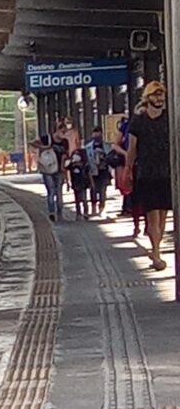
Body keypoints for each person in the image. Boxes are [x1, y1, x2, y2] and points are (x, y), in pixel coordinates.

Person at [120, 81, 171, 270]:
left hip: (166, 171)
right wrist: (128, 169)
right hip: (146, 172)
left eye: (161, 95)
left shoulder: (168, 117)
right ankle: (156, 251)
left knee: (163, 213)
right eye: (155, 95)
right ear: (147, 98)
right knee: (152, 215)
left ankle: (157, 250)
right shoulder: (138, 121)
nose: (159, 98)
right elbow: (132, 148)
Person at [33, 133, 64, 222]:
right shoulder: (47, 138)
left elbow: (66, 154)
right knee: (52, 191)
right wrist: (46, 147)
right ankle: (52, 212)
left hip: (58, 170)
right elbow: (33, 143)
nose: (63, 133)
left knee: (57, 192)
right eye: (61, 130)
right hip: (47, 170)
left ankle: (58, 213)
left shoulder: (64, 142)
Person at [88, 128, 112, 217]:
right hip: (93, 171)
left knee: (102, 190)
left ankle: (102, 208)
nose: (97, 137)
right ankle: (93, 208)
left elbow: (110, 156)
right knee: (93, 189)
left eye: (99, 135)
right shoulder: (88, 147)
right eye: (95, 135)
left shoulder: (106, 146)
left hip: (104, 170)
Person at [67, 145, 92, 220]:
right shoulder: (72, 165)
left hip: (83, 183)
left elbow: (89, 174)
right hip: (75, 183)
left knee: (84, 199)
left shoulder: (85, 166)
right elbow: (65, 169)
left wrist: (91, 183)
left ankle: (85, 212)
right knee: (77, 200)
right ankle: (78, 213)